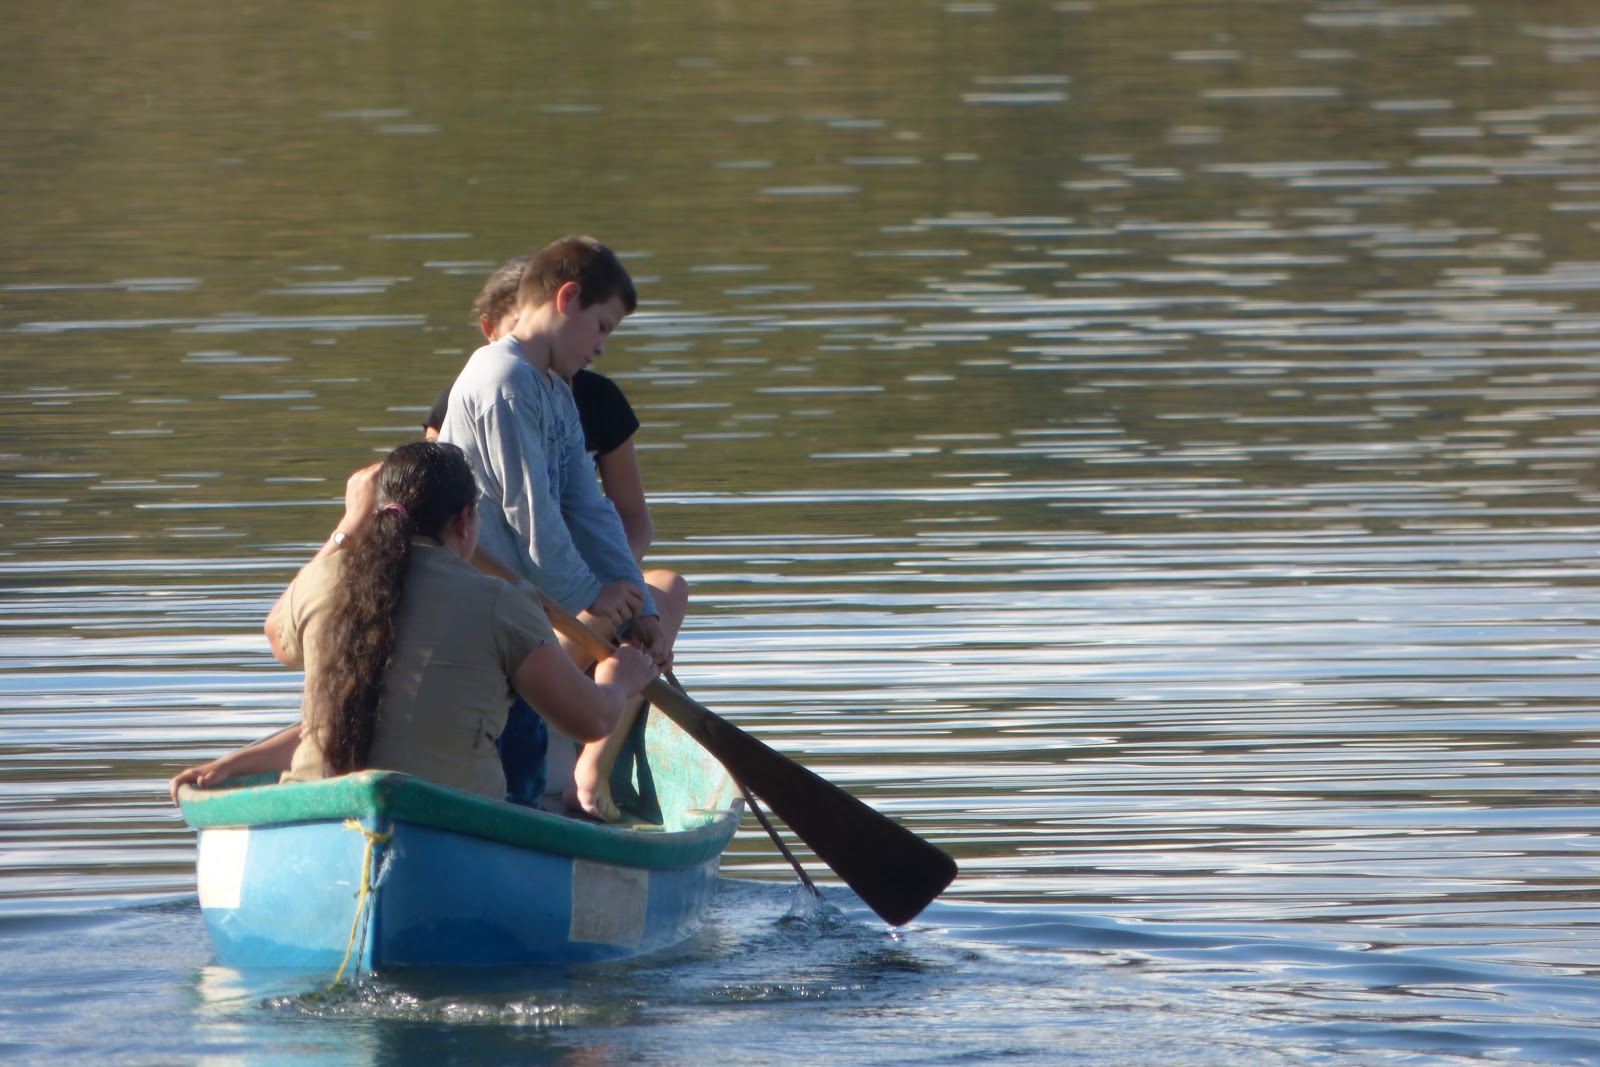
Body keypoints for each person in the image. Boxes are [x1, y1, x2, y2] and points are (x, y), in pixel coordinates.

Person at [166, 441, 659, 805]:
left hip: (319, 817)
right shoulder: (502, 602)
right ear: (466, 521)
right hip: (449, 822)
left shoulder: (325, 579)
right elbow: (589, 719)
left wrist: (347, 526)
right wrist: (620, 679)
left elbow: (280, 638)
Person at [437, 236, 681, 823]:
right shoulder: (501, 380)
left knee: (661, 596)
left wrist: (639, 602)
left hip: (523, 606)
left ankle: (565, 789)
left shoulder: (553, 389)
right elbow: (532, 514)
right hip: (481, 610)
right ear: (567, 298)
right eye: (602, 327)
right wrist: (589, 598)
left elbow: (589, 508)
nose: (601, 347)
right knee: (514, 794)